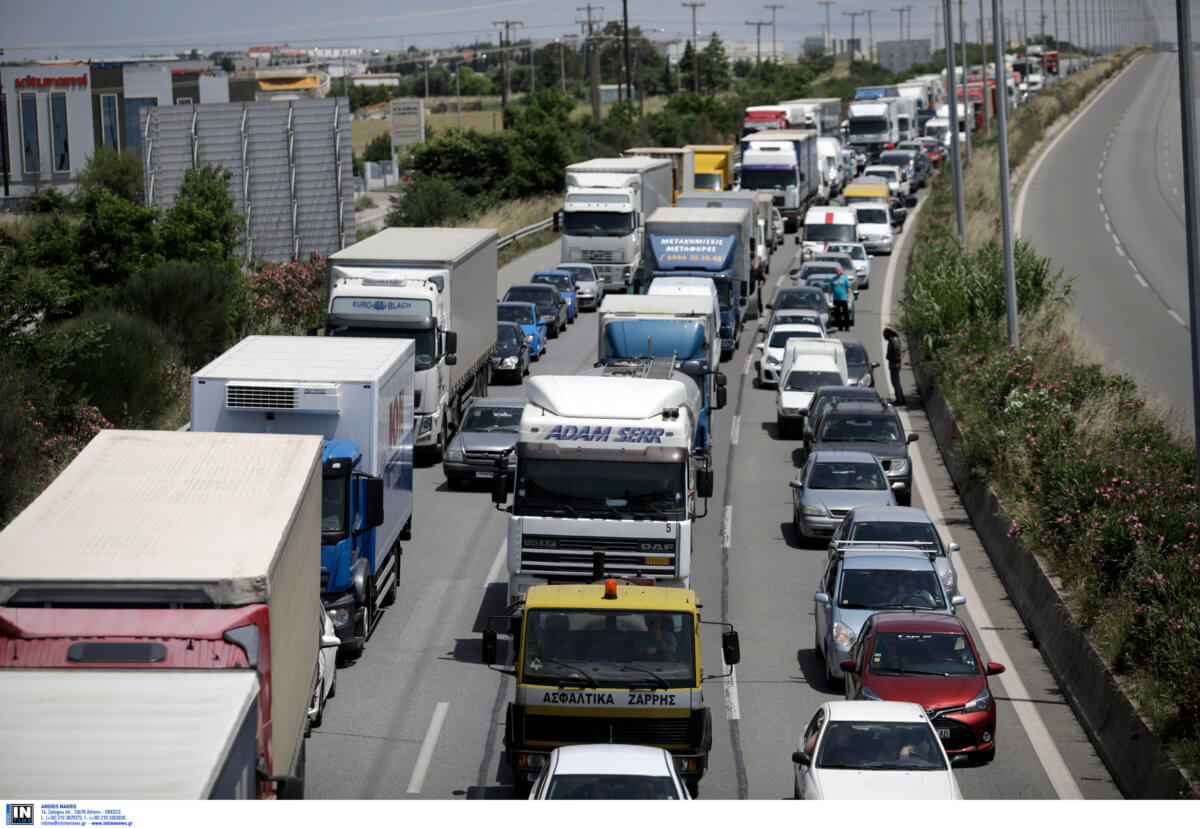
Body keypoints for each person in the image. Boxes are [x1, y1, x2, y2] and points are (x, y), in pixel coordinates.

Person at [883, 326, 906, 405]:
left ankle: (900, 399)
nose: (884, 336)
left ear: (889, 333)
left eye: (885, 333)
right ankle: (899, 398)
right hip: (892, 363)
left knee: (896, 382)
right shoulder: (891, 340)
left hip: (894, 364)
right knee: (894, 382)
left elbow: (897, 352)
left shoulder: (895, 340)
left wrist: (896, 362)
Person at [830, 267, 852, 331]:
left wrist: (848, 297)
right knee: (837, 313)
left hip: (843, 298)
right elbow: (830, 289)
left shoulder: (845, 278)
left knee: (845, 313)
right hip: (836, 299)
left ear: (841, 271)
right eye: (837, 271)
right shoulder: (833, 279)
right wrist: (830, 297)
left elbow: (848, 288)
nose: (838, 272)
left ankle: (847, 326)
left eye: (839, 270)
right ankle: (840, 326)